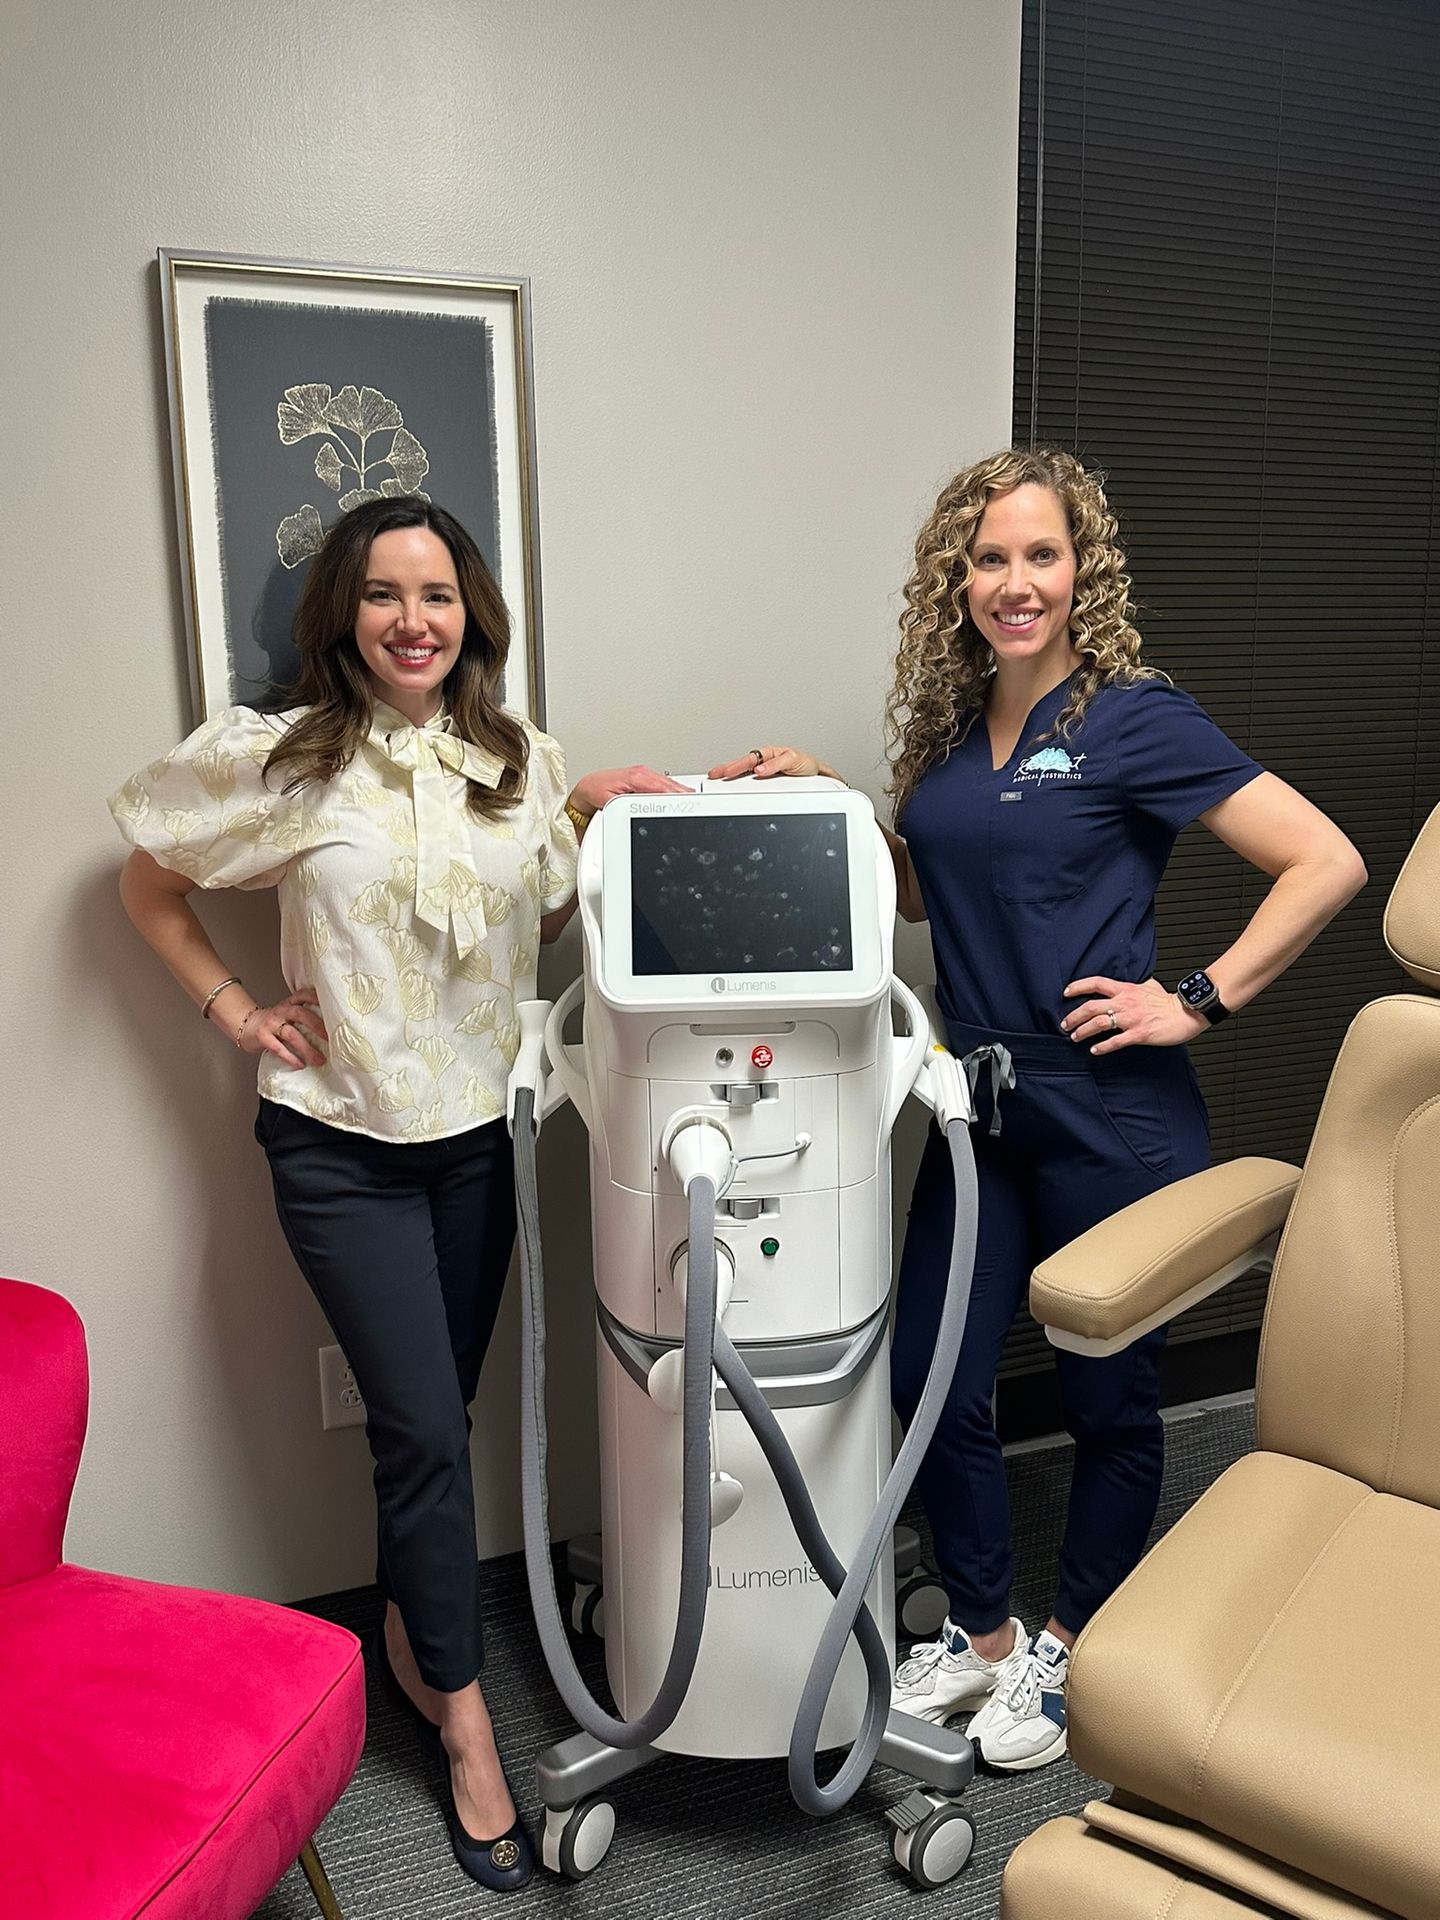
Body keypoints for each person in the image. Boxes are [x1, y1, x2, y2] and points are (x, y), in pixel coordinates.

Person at [710, 446, 1365, 1772]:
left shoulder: (1134, 719)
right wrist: (841, 806)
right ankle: (987, 1638)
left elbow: (1326, 858)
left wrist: (1197, 997)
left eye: (1042, 556)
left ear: (1083, 573)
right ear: (960, 577)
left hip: (1112, 1111)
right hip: (977, 1106)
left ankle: (1074, 1644)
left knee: (1110, 1394)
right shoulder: (954, 738)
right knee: (930, 1380)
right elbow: (925, 894)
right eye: (992, 557)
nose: (1017, 583)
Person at [112, 496, 682, 1888]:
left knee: (435, 1425)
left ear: (471, 612)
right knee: (425, 1429)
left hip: (478, 1140)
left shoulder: (513, 754)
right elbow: (145, 884)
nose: (413, 620)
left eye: (437, 594)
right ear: (346, 614)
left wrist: (586, 804)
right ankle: (467, 1724)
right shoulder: (281, 759)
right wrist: (237, 1009)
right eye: (384, 595)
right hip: (340, 1144)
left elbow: (535, 913)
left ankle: (403, 1641)